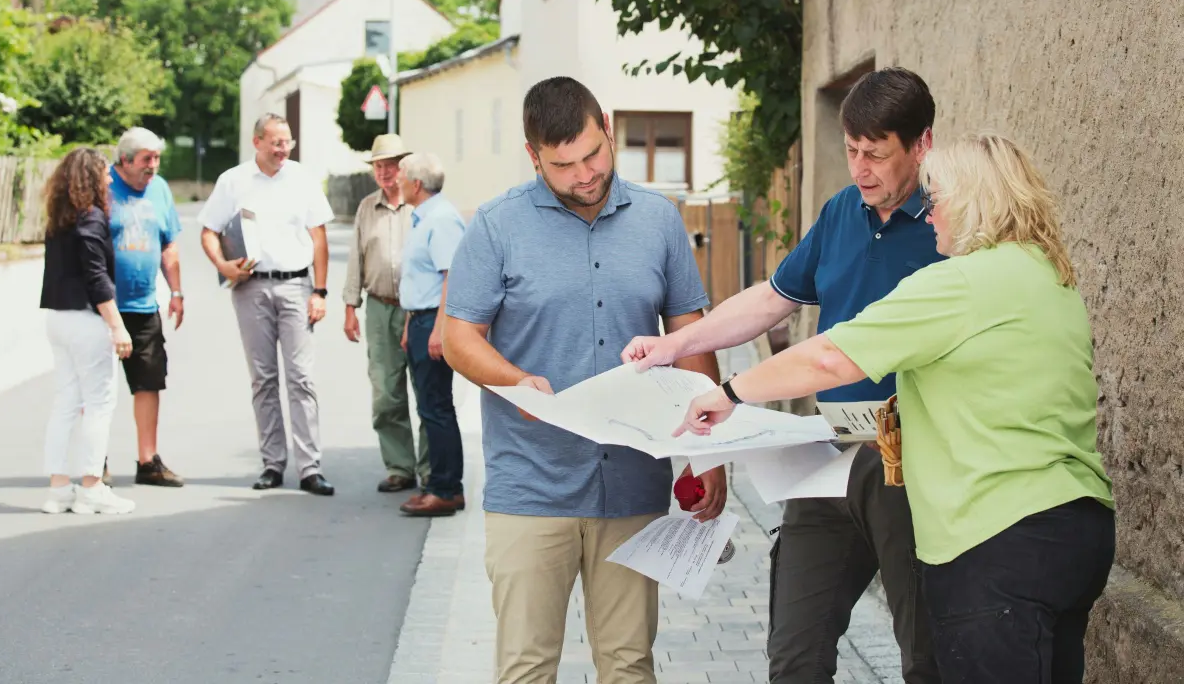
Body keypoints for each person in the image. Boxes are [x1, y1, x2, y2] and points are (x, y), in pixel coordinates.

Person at [675, 132, 1115, 684]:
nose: (929, 216)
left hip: (996, 537)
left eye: (939, 199)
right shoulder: (1051, 276)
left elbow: (833, 357)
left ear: (974, 200)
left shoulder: (961, 283)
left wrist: (731, 393)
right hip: (1078, 530)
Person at [623, 67, 943, 683]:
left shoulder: (950, 225)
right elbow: (773, 299)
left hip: (914, 461)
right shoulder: (842, 210)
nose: (860, 169)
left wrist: (734, 393)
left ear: (921, 144)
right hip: (826, 451)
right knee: (795, 654)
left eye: (876, 154)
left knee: (926, 658)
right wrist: (674, 345)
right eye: (851, 151)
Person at [442, 76, 727, 683]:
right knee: (526, 669)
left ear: (606, 122)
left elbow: (691, 337)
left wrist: (710, 456)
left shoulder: (659, 220)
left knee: (629, 666)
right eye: (563, 165)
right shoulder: (496, 226)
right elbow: (459, 339)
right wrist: (515, 381)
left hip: (633, 484)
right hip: (531, 487)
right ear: (533, 156)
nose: (585, 175)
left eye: (594, 154)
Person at [197, 113, 336, 496]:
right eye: (276, 142)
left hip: (295, 285)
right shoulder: (234, 181)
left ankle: (310, 467)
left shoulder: (303, 180)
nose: (283, 149)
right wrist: (222, 265)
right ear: (257, 142)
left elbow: (319, 238)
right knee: (263, 379)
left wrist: (319, 292)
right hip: (250, 289)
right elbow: (208, 230)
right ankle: (272, 464)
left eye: (287, 141)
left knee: (301, 378)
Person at [38, 147, 136, 515]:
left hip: (58, 319)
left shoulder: (59, 219)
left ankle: (59, 490)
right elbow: (96, 277)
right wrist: (118, 326)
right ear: (91, 179)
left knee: (65, 402)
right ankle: (93, 487)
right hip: (85, 320)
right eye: (104, 174)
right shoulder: (91, 218)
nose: (110, 178)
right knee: (99, 404)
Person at [343, 133, 429, 494]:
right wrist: (350, 306)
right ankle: (400, 467)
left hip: (419, 309)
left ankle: (430, 468)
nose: (386, 171)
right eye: (380, 166)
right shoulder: (366, 207)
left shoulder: (420, 206)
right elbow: (356, 258)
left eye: (392, 165)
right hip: (379, 307)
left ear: (404, 167)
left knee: (426, 392)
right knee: (385, 393)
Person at [108, 127, 185, 487]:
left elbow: (169, 245)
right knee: (99, 387)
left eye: (156, 159)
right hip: (105, 306)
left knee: (149, 382)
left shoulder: (161, 189)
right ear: (124, 161)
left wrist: (176, 292)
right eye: (145, 160)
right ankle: (96, 460)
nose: (152, 167)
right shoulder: (102, 187)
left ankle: (147, 460)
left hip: (143, 305)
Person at [394, 151, 465, 517]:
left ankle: (446, 489)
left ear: (416, 184)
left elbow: (452, 279)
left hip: (433, 324)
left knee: (436, 407)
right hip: (420, 321)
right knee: (429, 405)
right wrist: (411, 325)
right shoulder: (424, 218)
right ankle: (440, 483)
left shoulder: (441, 220)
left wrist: (438, 331)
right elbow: (419, 280)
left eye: (402, 177)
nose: (397, 182)